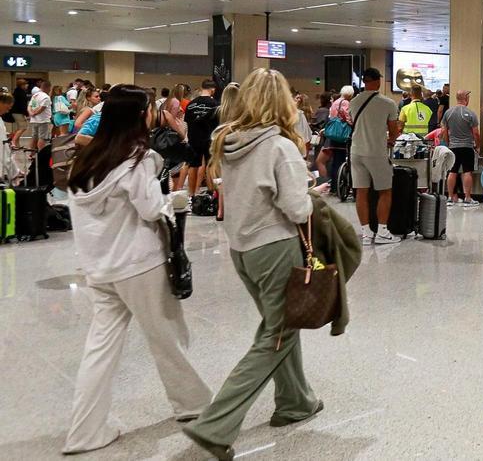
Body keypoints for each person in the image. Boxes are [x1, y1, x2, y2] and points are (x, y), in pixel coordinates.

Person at [63, 85, 212, 455]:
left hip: (99, 267)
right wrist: (169, 202)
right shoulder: (137, 159)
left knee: (100, 348)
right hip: (139, 265)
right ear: (137, 115)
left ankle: (85, 431)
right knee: (167, 338)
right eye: (149, 109)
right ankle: (194, 405)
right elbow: (149, 209)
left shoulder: (86, 159)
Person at [182, 69, 321, 459]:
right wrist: (312, 195)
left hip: (242, 249)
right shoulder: (279, 147)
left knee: (280, 327)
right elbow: (295, 207)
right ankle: (215, 425)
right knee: (275, 336)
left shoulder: (228, 140)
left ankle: (296, 402)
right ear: (282, 103)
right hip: (276, 247)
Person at [349, 68, 401, 244]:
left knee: (361, 191)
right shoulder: (387, 103)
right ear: (377, 81)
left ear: (364, 81)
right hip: (376, 152)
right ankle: (382, 231)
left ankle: (366, 233)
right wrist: (391, 140)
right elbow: (393, 130)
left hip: (356, 151)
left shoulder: (354, 102)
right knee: (385, 191)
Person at [442, 90, 481, 207]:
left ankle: (450, 198)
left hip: (453, 147)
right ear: (466, 98)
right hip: (467, 146)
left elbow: (444, 131)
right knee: (467, 171)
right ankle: (468, 198)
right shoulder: (471, 113)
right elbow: (476, 133)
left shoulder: (448, 113)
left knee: (452, 171)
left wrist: (448, 144)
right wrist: (477, 145)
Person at [182, 80, 219, 197]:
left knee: (193, 165)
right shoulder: (215, 104)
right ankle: (210, 193)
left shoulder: (191, 104)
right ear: (212, 89)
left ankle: (191, 194)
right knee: (209, 165)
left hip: (194, 138)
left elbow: (187, 121)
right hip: (209, 138)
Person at [316, 86, 353, 180]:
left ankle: (331, 185)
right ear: (350, 94)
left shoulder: (335, 102)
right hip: (341, 134)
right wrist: (352, 124)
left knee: (334, 162)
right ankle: (337, 184)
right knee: (339, 161)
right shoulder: (345, 102)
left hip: (333, 135)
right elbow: (348, 117)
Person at [27, 79, 52, 150]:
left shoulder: (35, 95)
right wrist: (35, 113)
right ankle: (41, 153)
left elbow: (30, 106)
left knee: (34, 137)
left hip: (34, 120)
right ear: (47, 87)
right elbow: (42, 108)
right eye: (49, 88)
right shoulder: (46, 97)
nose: (50, 90)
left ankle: (31, 153)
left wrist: (31, 113)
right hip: (43, 120)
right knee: (42, 138)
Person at [9, 78, 28, 144]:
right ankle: (13, 141)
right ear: (22, 85)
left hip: (15, 112)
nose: (27, 85)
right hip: (18, 112)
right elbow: (22, 104)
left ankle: (17, 143)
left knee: (20, 127)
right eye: (26, 84)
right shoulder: (21, 93)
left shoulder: (16, 91)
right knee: (23, 127)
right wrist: (26, 114)